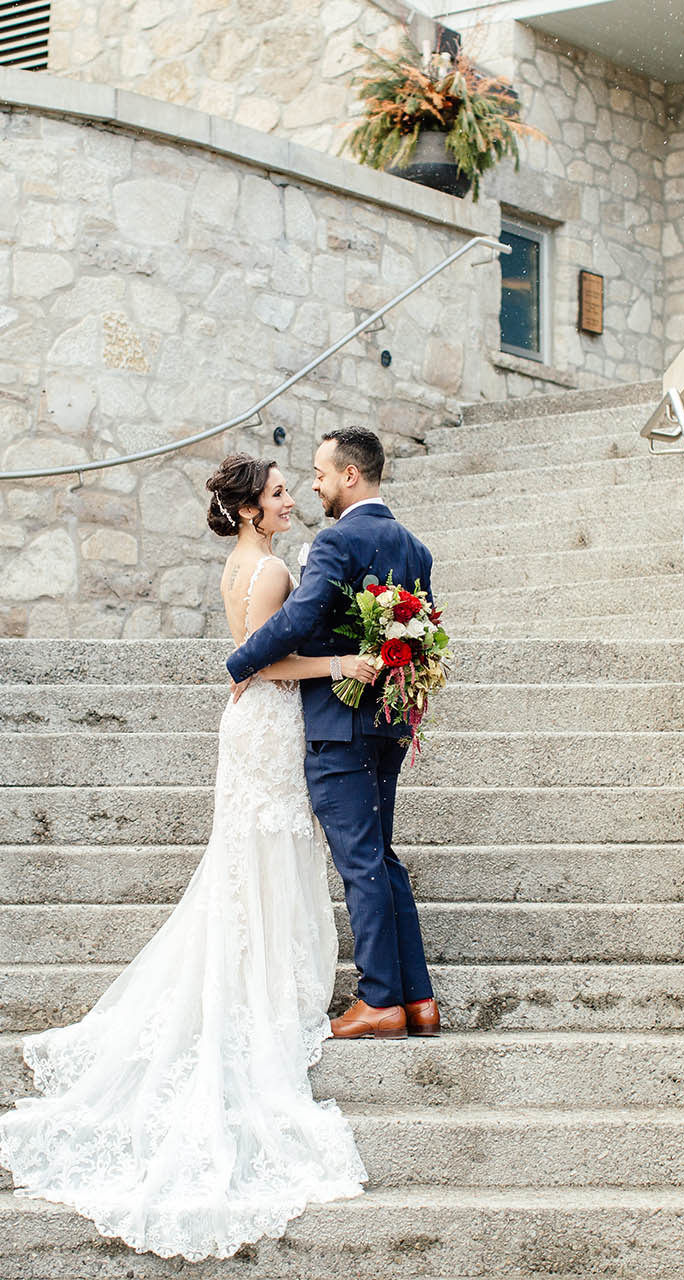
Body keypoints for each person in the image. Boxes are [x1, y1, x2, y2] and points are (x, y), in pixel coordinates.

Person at [0, 452, 381, 1261]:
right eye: (276, 494)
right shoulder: (270, 570)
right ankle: (268, 980)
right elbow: (265, 660)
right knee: (267, 849)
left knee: (250, 853)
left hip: (245, 728)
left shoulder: (236, 566)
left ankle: (255, 965)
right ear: (249, 509)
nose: (285, 503)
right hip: (268, 720)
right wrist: (342, 661)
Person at [227, 427, 439, 1041]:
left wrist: (242, 662)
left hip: (340, 726)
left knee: (360, 861)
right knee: (383, 855)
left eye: (319, 474)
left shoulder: (336, 540)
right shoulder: (415, 548)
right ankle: (418, 997)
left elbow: (299, 617)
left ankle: (379, 1001)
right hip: (390, 722)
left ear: (350, 475)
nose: (313, 485)